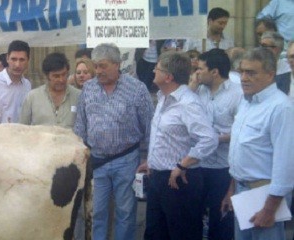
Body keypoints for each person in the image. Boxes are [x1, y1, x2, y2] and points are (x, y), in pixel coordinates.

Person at [74, 43, 154, 240]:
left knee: (126, 213)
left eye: (103, 66)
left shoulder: (137, 89)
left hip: (126, 161)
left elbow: (150, 127)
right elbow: (80, 126)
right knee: (97, 212)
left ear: (117, 64)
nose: (98, 71)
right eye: (96, 66)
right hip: (97, 161)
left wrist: (149, 159)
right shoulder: (89, 89)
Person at [139, 51, 218, 240]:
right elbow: (163, 137)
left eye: (157, 68)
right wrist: (151, 161)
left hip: (180, 181)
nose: (152, 70)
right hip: (158, 178)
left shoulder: (188, 103)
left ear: (168, 76)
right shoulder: (163, 98)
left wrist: (184, 164)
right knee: (155, 233)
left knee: (182, 234)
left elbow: (209, 139)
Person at [221, 47, 294, 240]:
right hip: (242, 192)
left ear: (270, 74)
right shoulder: (247, 102)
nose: (244, 78)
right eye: (242, 71)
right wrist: (232, 190)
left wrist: (270, 210)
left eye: (251, 72)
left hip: (265, 196)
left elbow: (285, 165)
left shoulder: (281, 108)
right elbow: (242, 152)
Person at [193, 48, 242, 240]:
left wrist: (216, 139)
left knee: (221, 218)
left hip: (224, 166)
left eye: (201, 69)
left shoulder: (237, 94)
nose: (197, 73)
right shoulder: (197, 90)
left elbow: (240, 131)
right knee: (195, 215)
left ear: (214, 72)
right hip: (199, 163)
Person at [19, 52, 80, 128]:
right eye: (56, 76)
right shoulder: (32, 97)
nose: (61, 80)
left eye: (64, 74)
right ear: (47, 76)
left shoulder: (78, 96)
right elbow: (22, 128)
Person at [0, 40, 32, 123]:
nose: (17, 65)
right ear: (7, 58)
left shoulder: (27, 85)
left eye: (22, 60)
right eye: (13, 59)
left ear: (28, 61)